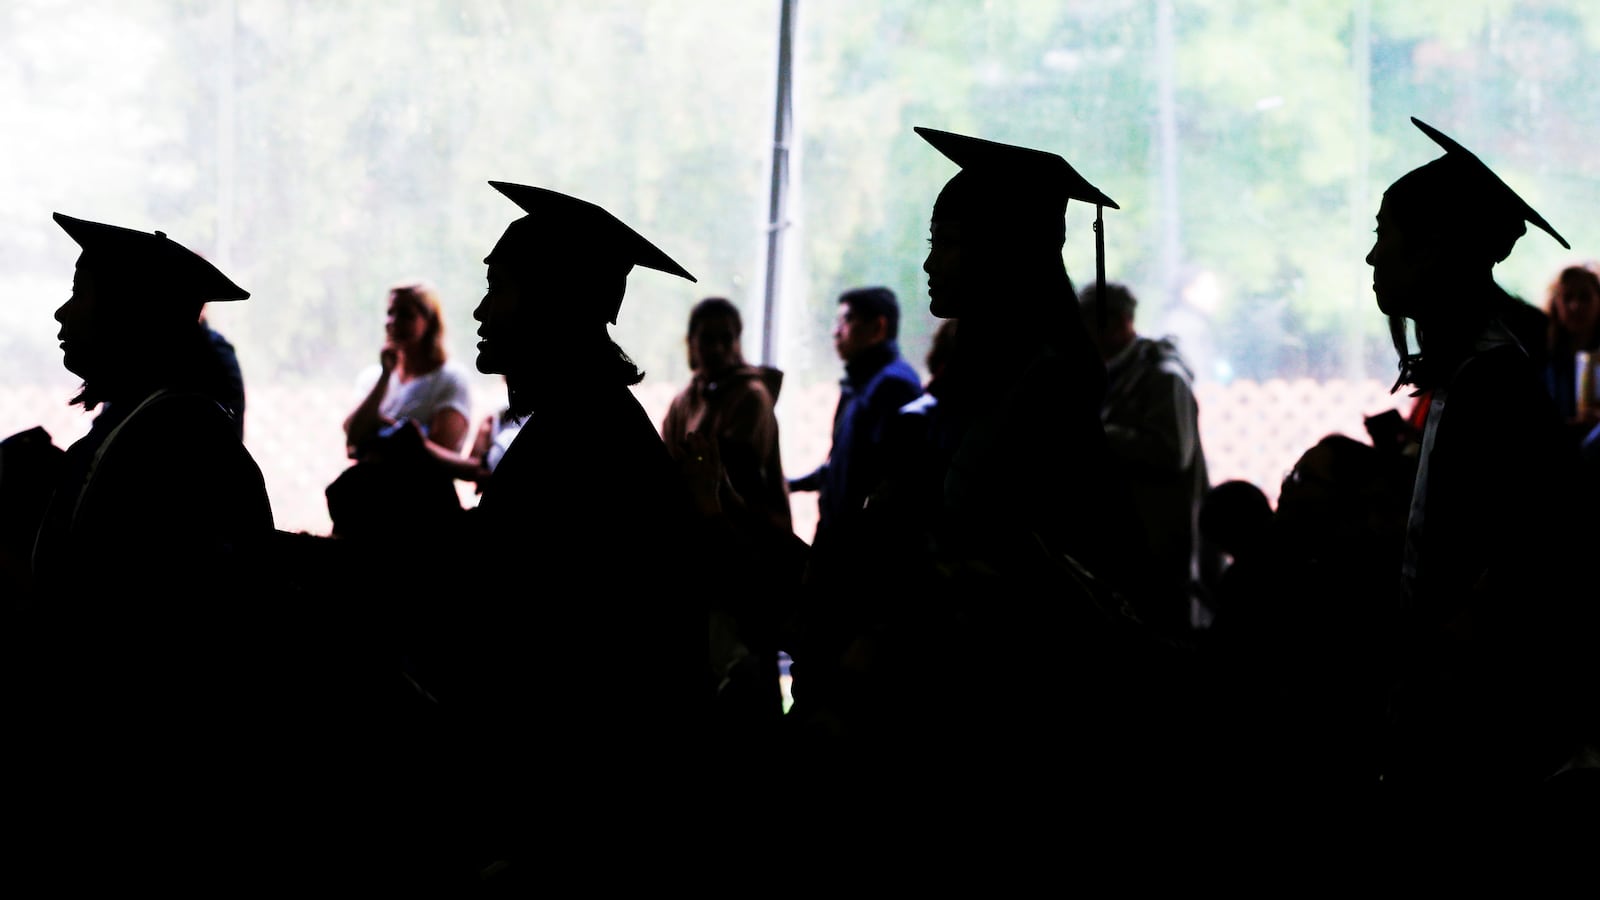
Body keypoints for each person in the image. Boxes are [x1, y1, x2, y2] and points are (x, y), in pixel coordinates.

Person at [3, 213, 368, 887]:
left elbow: (146, 631)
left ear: (129, 314)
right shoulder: (142, 426)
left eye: (82, 292)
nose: (62, 309)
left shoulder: (175, 438)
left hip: (142, 786)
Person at [419, 180, 706, 881]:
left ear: (556, 300)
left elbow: (565, 664)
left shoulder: (586, 445)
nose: (483, 309)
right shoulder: (583, 425)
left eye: (502, 287)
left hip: (569, 835)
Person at [1366, 117, 1597, 805]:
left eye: (1385, 236)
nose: (1373, 259)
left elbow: (1520, 567)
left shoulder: (1494, 385)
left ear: (1434, 251)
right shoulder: (1473, 371)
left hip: (1476, 720)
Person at [1080, 280, 1212, 636]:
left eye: (1089, 325)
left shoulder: (1163, 377)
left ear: (1120, 323)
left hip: (1161, 549)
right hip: (1134, 543)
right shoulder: (1118, 374)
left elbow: (1171, 453)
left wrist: (1097, 434)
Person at [328, 280, 473, 540]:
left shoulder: (449, 380)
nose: (393, 321)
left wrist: (389, 437)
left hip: (421, 511)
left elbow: (444, 454)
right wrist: (386, 375)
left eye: (405, 314)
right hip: (367, 506)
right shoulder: (373, 378)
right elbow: (352, 439)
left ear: (429, 321)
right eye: (390, 312)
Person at [785, 286, 922, 548]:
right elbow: (845, 466)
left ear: (877, 328)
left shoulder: (892, 387)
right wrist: (791, 484)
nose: (835, 332)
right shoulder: (864, 385)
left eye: (846, 321)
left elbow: (890, 480)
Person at [661, 296, 793, 535]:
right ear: (691, 342)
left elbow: (736, 474)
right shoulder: (684, 401)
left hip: (749, 536)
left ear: (738, 343)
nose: (717, 348)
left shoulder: (752, 397)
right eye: (707, 339)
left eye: (726, 338)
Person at [1540, 262, 1600, 445]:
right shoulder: (1541, 355)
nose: (1575, 306)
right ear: (1556, 304)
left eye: (1584, 297)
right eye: (1567, 298)